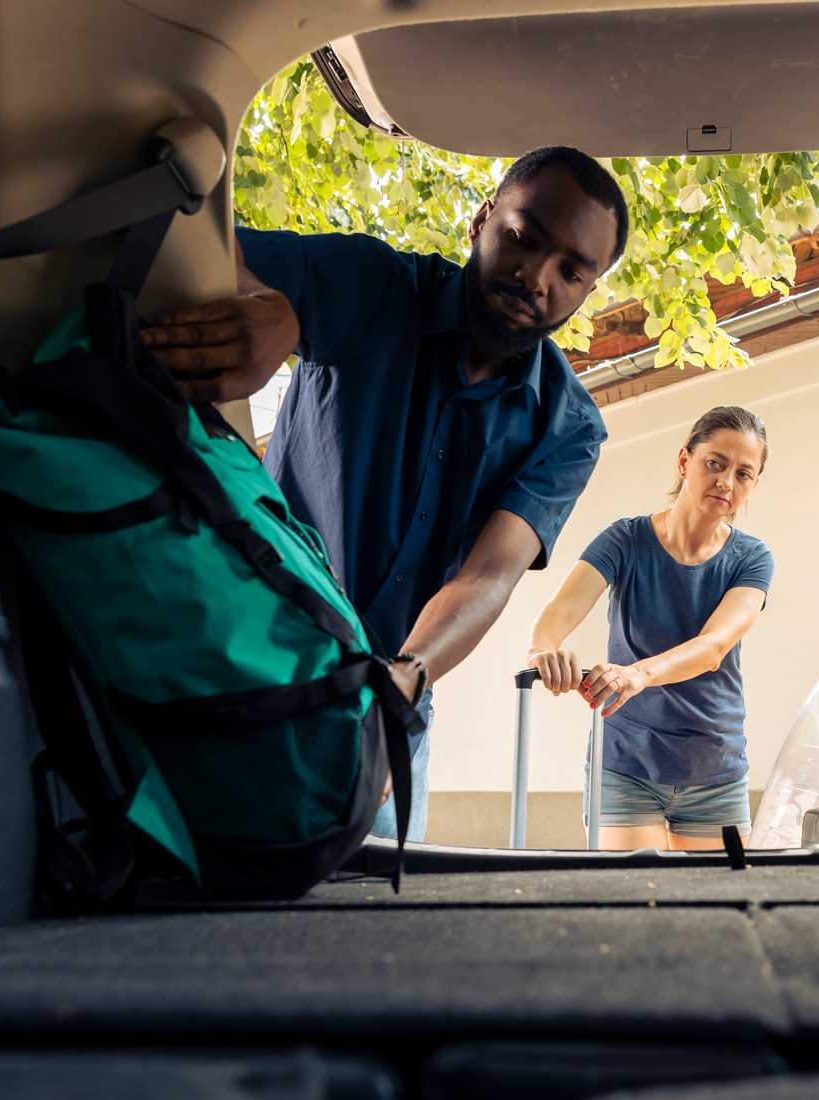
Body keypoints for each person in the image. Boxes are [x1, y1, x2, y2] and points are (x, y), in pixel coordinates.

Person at [138, 146, 630, 840]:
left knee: (370, 903)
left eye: (571, 272)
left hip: (392, 705)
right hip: (248, 662)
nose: (536, 278)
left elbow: (488, 575)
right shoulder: (370, 284)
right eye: (524, 237)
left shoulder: (570, 427)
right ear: (483, 219)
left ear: (587, 289)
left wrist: (403, 682)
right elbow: (200, 252)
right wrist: (264, 307)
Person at [527, 407, 774, 850]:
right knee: (637, 888)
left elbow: (713, 646)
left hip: (713, 767)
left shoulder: (752, 558)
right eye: (714, 463)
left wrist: (636, 674)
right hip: (627, 764)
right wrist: (542, 650)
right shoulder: (625, 540)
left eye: (743, 474)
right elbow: (562, 609)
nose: (725, 482)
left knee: (718, 896)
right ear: (684, 461)